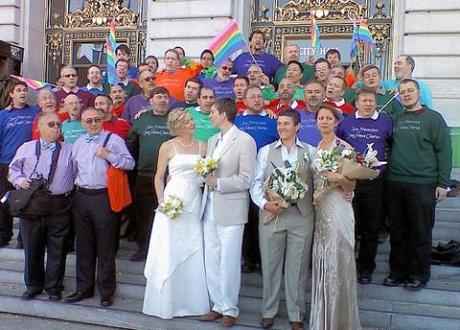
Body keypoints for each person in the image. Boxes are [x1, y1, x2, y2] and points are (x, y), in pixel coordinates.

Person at [384, 79, 451, 291]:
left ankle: (418, 275)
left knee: (420, 232)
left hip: (423, 184)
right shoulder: (395, 119)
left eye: (410, 91)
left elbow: (444, 152)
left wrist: (443, 183)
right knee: (397, 231)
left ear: (418, 93)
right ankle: (397, 272)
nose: (406, 94)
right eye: (402, 92)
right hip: (395, 183)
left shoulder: (434, 119)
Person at [250, 109, 315, 330]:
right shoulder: (266, 151)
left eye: (287, 124)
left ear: (298, 127)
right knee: (270, 264)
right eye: (280, 124)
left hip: (301, 215)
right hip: (272, 215)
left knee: (298, 267)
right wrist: (265, 204)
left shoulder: (310, 151)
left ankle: (296, 313)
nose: (282, 128)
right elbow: (256, 183)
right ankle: (269, 310)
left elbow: (319, 182)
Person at [143, 109, 209, 318]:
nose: (192, 123)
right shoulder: (167, 146)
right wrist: (162, 201)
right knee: (170, 247)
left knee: (192, 246)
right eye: (188, 120)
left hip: (194, 201)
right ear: (178, 125)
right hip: (173, 200)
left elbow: (208, 173)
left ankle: (192, 302)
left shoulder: (202, 145)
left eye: (192, 120)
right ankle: (167, 302)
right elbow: (159, 176)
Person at [65, 107, 135, 307]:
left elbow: (129, 163)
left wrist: (110, 156)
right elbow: (72, 169)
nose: (93, 123)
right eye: (88, 121)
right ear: (82, 123)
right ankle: (83, 288)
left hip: (104, 197)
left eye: (96, 119)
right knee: (84, 245)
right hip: (82, 197)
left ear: (103, 119)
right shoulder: (77, 143)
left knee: (105, 245)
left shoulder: (113, 140)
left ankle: (106, 291)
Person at [199, 98, 257, 327]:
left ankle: (230, 308)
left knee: (229, 261)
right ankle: (217, 304)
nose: (210, 115)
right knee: (211, 259)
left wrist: (218, 183)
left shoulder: (245, 140)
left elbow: (246, 179)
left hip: (231, 208)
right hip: (209, 206)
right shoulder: (213, 140)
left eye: (213, 112)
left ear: (224, 114)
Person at [8, 112, 73, 301]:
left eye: (58, 125)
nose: (56, 128)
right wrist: (20, 181)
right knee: (32, 246)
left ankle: (54, 287)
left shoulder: (69, 149)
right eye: (51, 124)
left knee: (58, 248)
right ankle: (33, 285)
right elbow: (13, 170)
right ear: (40, 127)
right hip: (33, 203)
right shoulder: (27, 148)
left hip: (59, 203)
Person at [310, 104, 361, 329]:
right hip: (320, 211)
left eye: (328, 118)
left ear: (336, 122)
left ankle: (338, 321)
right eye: (320, 118)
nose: (324, 121)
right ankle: (322, 318)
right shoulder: (318, 146)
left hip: (338, 208)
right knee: (323, 259)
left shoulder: (344, 148)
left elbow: (352, 184)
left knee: (337, 261)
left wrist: (337, 177)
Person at [337, 87, 393, 284]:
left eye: (371, 100)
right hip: (350, 183)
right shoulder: (346, 122)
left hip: (375, 184)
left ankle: (366, 269)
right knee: (350, 226)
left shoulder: (386, 122)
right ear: (357, 103)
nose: (368, 104)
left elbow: (392, 146)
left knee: (371, 228)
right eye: (364, 101)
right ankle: (348, 265)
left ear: (375, 101)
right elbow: (338, 145)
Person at [235, 86, 278, 273]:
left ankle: (263, 260)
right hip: (242, 178)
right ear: (244, 100)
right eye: (252, 96)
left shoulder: (272, 120)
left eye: (260, 97)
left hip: (266, 179)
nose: (257, 100)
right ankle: (248, 259)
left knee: (264, 220)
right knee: (247, 221)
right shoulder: (237, 121)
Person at [127, 87, 173, 261]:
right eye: (159, 97)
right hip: (145, 175)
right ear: (151, 100)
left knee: (167, 214)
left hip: (169, 178)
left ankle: (164, 251)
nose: (162, 100)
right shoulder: (141, 120)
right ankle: (143, 249)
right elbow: (131, 143)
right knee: (142, 215)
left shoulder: (174, 119)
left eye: (165, 97)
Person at [0, 80, 40, 248]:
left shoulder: (35, 112)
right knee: (3, 201)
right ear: (11, 94)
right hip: (6, 163)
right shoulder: (3, 115)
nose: (23, 93)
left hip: (28, 165)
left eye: (24, 90)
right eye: (18, 90)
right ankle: (4, 234)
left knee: (27, 201)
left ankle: (23, 239)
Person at [298, 80, 326, 147]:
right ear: (304, 96)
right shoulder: (295, 116)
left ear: (324, 95)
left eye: (317, 92)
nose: (313, 95)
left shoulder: (335, 115)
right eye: (309, 92)